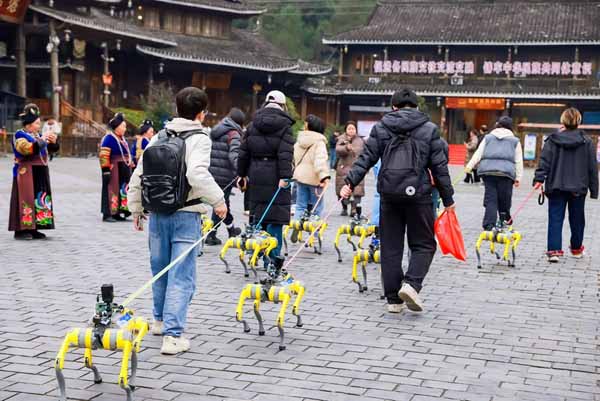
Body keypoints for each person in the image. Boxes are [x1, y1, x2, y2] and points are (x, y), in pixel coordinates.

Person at [128, 87, 227, 354]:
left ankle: (159, 321)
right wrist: (218, 201)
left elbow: (139, 171)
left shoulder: (160, 134)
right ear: (201, 113)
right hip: (186, 213)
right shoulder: (200, 138)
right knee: (181, 276)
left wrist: (136, 208)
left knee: (159, 270)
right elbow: (196, 173)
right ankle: (173, 336)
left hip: (158, 213)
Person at [341, 88, 455, 314]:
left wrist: (350, 183)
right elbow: (439, 168)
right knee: (423, 244)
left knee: (391, 247)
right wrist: (448, 198)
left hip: (389, 195)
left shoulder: (381, 128)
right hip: (419, 195)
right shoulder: (429, 129)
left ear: (393, 107)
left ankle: (394, 299)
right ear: (416, 106)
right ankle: (412, 284)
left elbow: (366, 159)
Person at [533, 108, 599, 263]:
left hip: (556, 185)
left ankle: (554, 251)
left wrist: (539, 179)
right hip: (578, 187)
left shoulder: (552, 140)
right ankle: (576, 249)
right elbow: (592, 168)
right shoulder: (587, 142)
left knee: (555, 218)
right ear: (578, 121)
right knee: (577, 220)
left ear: (563, 121)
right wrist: (594, 190)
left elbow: (544, 161)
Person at [237, 90, 294, 259]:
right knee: (275, 217)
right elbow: (285, 154)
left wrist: (241, 174)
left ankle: (256, 252)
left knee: (258, 213)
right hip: (276, 174)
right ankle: (273, 259)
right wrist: (285, 177)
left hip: (256, 172)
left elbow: (243, 152)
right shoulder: (285, 125)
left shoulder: (253, 124)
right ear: (283, 105)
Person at [9, 104, 59, 240]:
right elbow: (26, 149)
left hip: (40, 171)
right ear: (29, 124)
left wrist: (53, 142)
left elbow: (50, 150)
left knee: (39, 198)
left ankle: (36, 227)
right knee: (26, 199)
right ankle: (21, 230)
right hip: (26, 172)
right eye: (37, 123)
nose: (39, 125)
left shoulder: (38, 135)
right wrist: (42, 140)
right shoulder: (19, 135)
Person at [466, 116, 523, 231]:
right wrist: (518, 177)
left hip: (489, 172)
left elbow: (479, 153)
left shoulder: (488, 138)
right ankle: (504, 220)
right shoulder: (514, 141)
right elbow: (518, 160)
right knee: (504, 198)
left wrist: (469, 166)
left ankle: (489, 224)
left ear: (498, 125)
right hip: (506, 174)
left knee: (491, 199)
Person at [205, 108, 245, 246]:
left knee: (223, 203)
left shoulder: (217, 130)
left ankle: (231, 229)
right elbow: (234, 155)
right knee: (220, 203)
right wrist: (241, 170)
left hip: (213, 172)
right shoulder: (234, 134)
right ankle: (211, 234)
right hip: (224, 175)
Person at [292, 114, 330, 220]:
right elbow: (320, 161)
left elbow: (294, 158)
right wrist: (324, 177)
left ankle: (297, 228)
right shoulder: (319, 142)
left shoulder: (300, 140)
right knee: (316, 208)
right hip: (315, 180)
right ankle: (315, 233)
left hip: (300, 178)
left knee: (300, 206)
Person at [100, 112, 133, 222]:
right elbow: (104, 155)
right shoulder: (108, 138)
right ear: (117, 127)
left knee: (122, 189)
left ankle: (118, 212)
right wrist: (105, 170)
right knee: (111, 189)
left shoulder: (122, 139)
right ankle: (108, 213)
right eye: (123, 126)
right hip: (113, 169)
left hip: (123, 168)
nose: (125, 128)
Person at [336, 121, 365, 216]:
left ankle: (354, 209)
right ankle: (344, 208)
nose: (351, 130)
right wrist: (346, 148)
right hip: (343, 169)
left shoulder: (360, 141)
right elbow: (338, 150)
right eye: (349, 128)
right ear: (346, 130)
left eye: (353, 128)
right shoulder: (341, 139)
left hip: (356, 169)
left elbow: (364, 154)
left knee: (356, 191)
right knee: (342, 190)